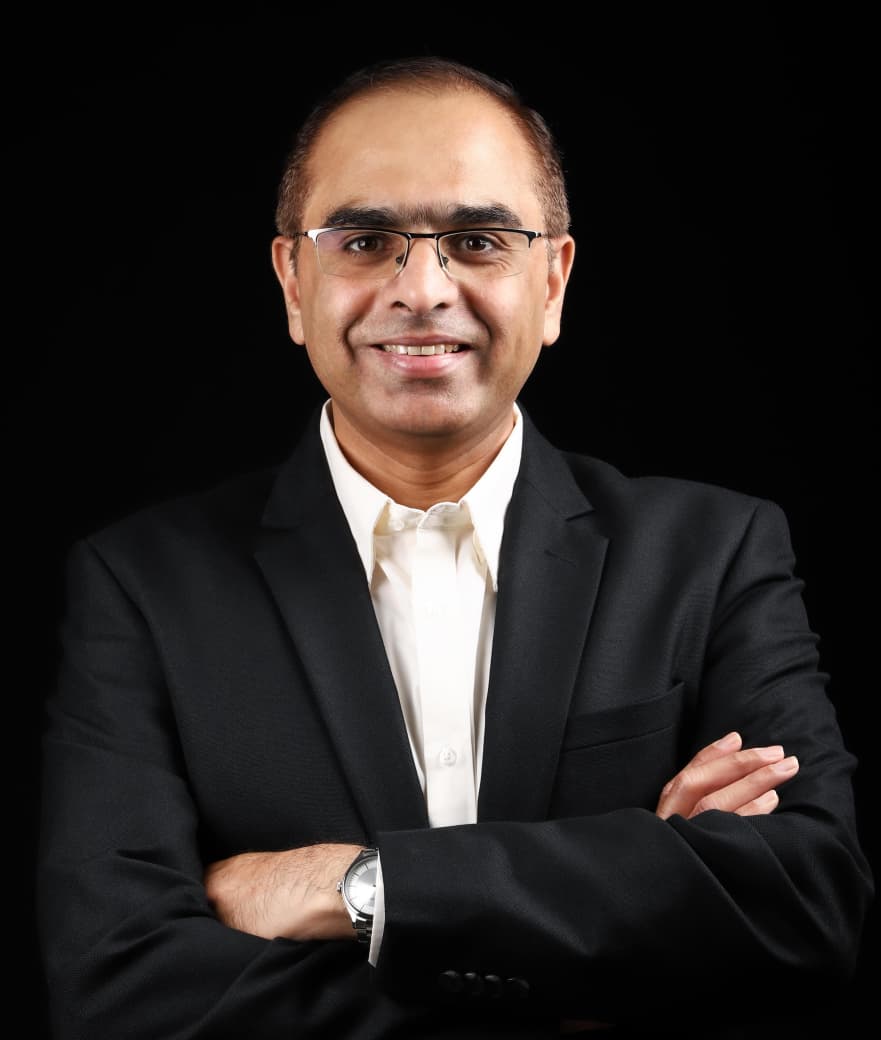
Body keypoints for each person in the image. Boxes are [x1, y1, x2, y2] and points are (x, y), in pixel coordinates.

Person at [36, 55, 873, 1039]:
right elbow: (118, 988)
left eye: (476, 241)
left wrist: (363, 887)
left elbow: (806, 905)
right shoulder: (141, 584)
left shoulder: (713, 553)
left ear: (551, 280)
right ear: (294, 281)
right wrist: (637, 880)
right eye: (365, 240)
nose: (422, 289)